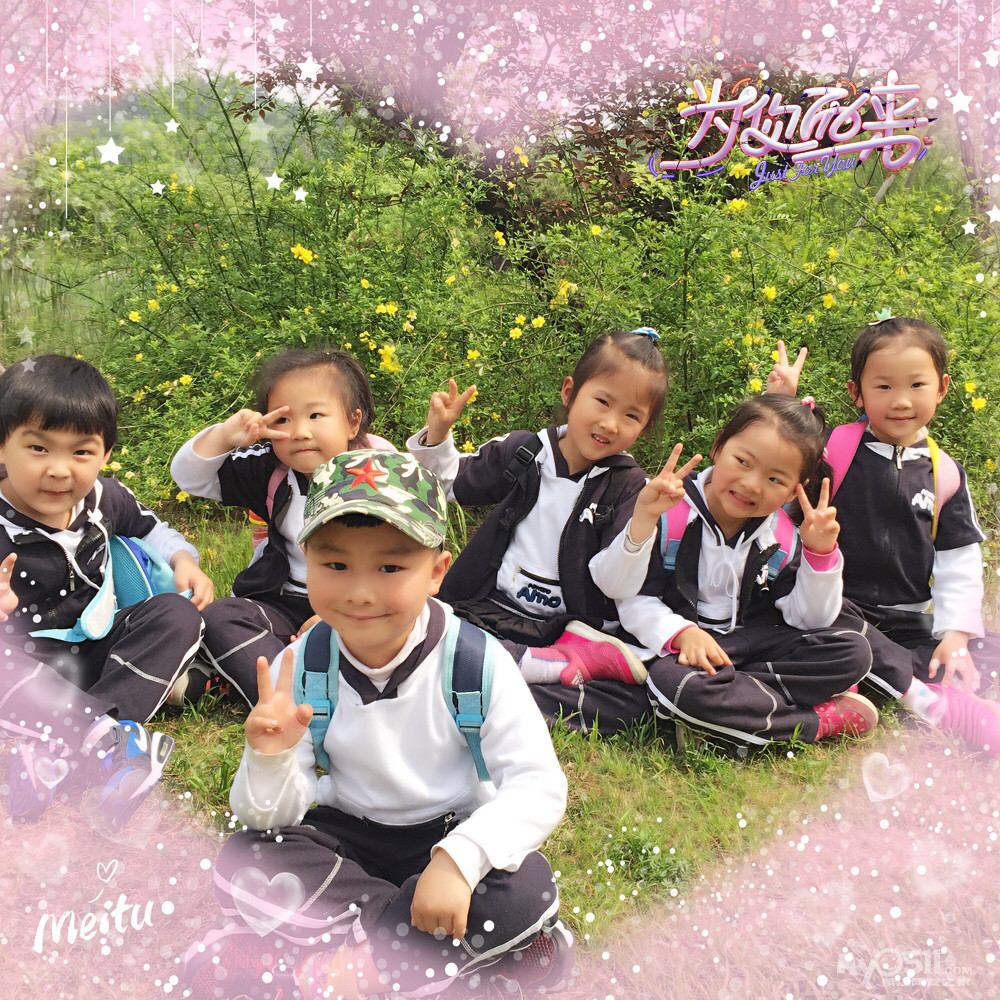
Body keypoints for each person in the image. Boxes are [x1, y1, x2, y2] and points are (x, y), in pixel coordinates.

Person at [182, 450, 571, 1000]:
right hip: (351, 839)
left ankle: (315, 969)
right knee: (243, 860)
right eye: (336, 566)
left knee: (525, 888)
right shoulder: (305, 664)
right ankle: (440, 962)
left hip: (450, 831)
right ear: (307, 560)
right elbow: (270, 817)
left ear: (436, 572)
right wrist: (270, 759)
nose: (360, 593)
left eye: (390, 568)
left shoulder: (476, 663)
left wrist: (460, 862)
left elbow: (538, 784)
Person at [407, 328, 690, 733]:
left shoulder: (630, 488)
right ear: (570, 392)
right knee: (422, 634)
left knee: (633, 702)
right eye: (603, 401)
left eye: (631, 416)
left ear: (643, 428)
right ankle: (532, 673)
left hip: (571, 631)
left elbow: (616, 586)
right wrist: (437, 435)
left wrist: (644, 519)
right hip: (492, 611)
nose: (610, 423)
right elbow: (450, 484)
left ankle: (497, 676)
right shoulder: (525, 451)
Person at [592, 394, 878, 752]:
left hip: (747, 647)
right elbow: (630, 598)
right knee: (676, 685)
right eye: (743, 461)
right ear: (718, 446)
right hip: (679, 655)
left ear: (795, 490)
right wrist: (682, 634)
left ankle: (723, 711)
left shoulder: (783, 535)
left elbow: (809, 620)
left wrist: (819, 554)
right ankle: (812, 722)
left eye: (775, 478)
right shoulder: (668, 508)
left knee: (853, 651)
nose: (752, 484)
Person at [768, 321, 1000, 753]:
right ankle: (929, 701)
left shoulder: (945, 473)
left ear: (942, 388)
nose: (901, 401)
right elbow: (772, 465)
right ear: (857, 393)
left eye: (917, 385)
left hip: (906, 621)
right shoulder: (834, 449)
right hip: (838, 608)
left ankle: (867, 677)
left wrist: (955, 636)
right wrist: (779, 402)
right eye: (884, 387)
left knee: (986, 649)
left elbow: (959, 561)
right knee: (833, 634)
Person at [0, 355, 211, 826]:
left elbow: (152, 528)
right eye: (38, 448)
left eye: (81, 452)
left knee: (176, 615)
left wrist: (183, 560)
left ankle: (62, 751)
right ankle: (107, 743)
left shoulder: (103, 498)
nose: (59, 470)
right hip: (24, 670)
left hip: (95, 654)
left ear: (105, 454)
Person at [171, 347, 394, 707]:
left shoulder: (382, 472)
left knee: (395, 626)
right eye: (284, 420)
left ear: (353, 422)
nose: (300, 432)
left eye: (316, 415)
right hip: (286, 603)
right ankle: (291, 698)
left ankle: (304, 683)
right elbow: (189, 477)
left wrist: (334, 617)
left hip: (362, 603)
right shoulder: (270, 469)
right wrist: (226, 435)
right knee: (221, 617)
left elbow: (399, 566)